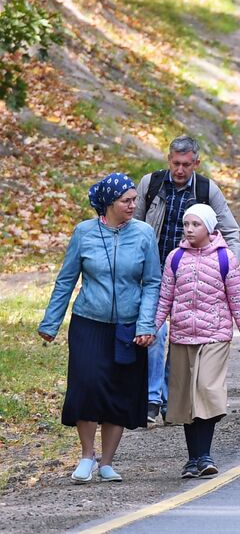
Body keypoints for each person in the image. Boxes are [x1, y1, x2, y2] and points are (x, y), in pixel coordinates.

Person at [38, 174, 160, 484]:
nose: (133, 205)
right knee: (87, 387)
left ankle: (107, 463)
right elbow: (66, 279)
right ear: (109, 204)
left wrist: (146, 324)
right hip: (88, 323)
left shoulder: (144, 234)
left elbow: (153, 283)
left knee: (119, 392)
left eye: (135, 199)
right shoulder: (84, 233)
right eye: (127, 201)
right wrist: (51, 322)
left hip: (128, 326)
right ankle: (86, 456)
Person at [135, 136, 240, 423]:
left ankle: (172, 398)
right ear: (168, 160)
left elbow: (230, 231)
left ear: (196, 162)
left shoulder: (207, 189)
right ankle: (152, 399)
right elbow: (135, 226)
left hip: (192, 276)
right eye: (175, 163)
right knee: (154, 333)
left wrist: (227, 267)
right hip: (154, 272)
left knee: (182, 337)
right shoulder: (151, 184)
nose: (180, 170)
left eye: (186, 164)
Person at [153, 204, 240, 479]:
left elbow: (238, 302)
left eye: (195, 224)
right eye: (186, 224)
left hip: (215, 336)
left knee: (206, 390)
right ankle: (194, 460)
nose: (189, 229)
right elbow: (165, 299)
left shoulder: (225, 259)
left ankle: (205, 454)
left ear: (210, 228)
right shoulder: (175, 258)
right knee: (186, 398)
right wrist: (151, 331)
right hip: (182, 336)